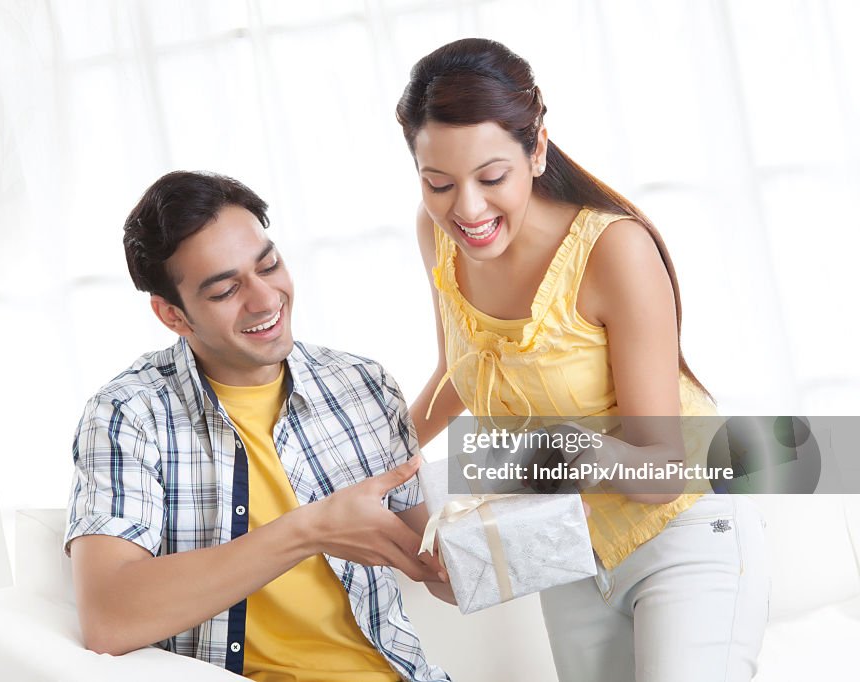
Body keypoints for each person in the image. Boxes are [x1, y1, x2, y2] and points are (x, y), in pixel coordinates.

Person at [396, 38, 768, 682]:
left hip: (681, 530)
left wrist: (554, 454)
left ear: (536, 148)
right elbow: (457, 375)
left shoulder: (613, 252)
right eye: (438, 183)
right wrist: (378, 464)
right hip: (569, 548)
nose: (468, 210)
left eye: (492, 178)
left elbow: (664, 473)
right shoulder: (439, 236)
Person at [64, 171, 452, 681]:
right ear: (173, 316)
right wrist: (308, 530)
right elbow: (109, 619)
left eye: (269, 265)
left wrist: (546, 493)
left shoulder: (362, 384)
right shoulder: (130, 415)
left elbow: (439, 571)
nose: (266, 299)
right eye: (226, 290)